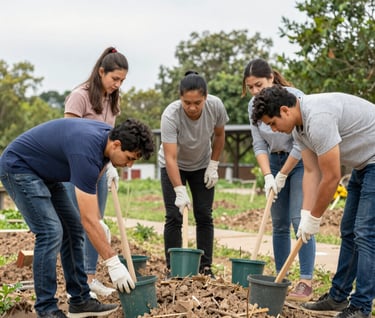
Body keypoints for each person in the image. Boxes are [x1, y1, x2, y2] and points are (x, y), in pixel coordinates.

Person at [0, 118, 154, 318]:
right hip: (20, 168)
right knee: (50, 231)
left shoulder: (108, 141)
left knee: (73, 229)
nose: (130, 165)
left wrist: (98, 220)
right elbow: (87, 219)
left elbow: (89, 192)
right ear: (116, 145)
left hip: (46, 173)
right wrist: (113, 262)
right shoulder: (86, 150)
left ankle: (80, 301)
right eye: (129, 157)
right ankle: (46, 308)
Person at [251, 85, 375, 318]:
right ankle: (338, 297)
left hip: (373, 161)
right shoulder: (299, 130)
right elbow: (312, 172)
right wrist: (306, 215)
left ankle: (361, 306)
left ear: (285, 110)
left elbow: (332, 177)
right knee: (348, 230)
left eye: (273, 123)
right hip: (363, 163)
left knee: (365, 233)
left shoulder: (317, 118)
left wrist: (315, 218)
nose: (274, 130)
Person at [242, 58, 316, 301]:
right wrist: (268, 175)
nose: (255, 91)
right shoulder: (254, 105)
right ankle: (280, 278)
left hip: (301, 161)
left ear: (272, 78)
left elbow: (300, 142)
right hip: (273, 162)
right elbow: (259, 143)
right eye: (250, 87)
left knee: (299, 218)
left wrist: (283, 174)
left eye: (259, 85)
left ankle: (305, 280)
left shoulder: (293, 98)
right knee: (279, 224)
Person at [64, 46, 127, 297]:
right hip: (76, 171)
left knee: (97, 224)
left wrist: (110, 166)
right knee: (80, 225)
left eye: (122, 80)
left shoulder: (113, 99)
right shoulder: (80, 96)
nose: (118, 84)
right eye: (115, 79)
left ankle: (90, 279)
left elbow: (109, 138)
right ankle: (77, 284)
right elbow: (67, 136)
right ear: (101, 72)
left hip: (99, 171)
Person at [158, 71, 229, 278]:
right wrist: (179, 190)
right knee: (173, 216)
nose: (191, 107)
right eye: (186, 102)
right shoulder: (170, 115)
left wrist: (213, 165)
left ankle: (205, 268)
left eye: (197, 102)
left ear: (205, 97)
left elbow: (219, 135)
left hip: (202, 164)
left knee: (204, 215)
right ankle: (173, 268)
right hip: (173, 165)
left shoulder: (216, 106)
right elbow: (170, 157)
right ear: (180, 98)